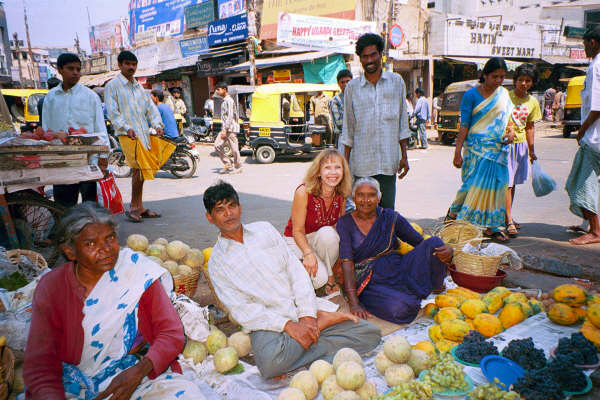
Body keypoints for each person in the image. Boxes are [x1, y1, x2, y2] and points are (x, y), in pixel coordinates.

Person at [23, 203, 203, 399]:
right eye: (91, 244)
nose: (106, 250)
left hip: (132, 373)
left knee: (186, 394)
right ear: (70, 251)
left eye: (110, 238)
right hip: (69, 382)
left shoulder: (135, 271)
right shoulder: (52, 287)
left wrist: (139, 371)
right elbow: (40, 366)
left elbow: (171, 333)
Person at [204, 182, 381, 379]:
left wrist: (306, 316)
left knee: (371, 334)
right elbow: (241, 309)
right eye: (220, 210)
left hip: (299, 307)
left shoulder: (264, 230)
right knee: (270, 365)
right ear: (210, 217)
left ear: (240, 207)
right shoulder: (217, 262)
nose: (229, 214)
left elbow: (296, 272)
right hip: (268, 323)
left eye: (232, 206)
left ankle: (307, 337)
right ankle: (319, 329)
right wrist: (287, 325)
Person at [337, 178, 452, 323]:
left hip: (397, 269)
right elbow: (347, 263)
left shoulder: (390, 217)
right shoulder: (345, 223)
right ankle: (406, 295)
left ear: (379, 198)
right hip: (369, 280)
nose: (366, 200)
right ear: (354, 198)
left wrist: (446, 251)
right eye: (361, 195)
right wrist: (353, 303)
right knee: (402, 309)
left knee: (435, 243)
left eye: (371, 195)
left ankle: (434, 286)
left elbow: (419, 242)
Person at [446, 57, 516, 242]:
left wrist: (511, 132)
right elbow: (464, 125)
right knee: (470, 186)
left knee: (496, 187)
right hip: (476, 150)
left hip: (498, 149)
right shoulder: (471, 95)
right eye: (495, 76)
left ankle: (492, 227)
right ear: (484, 75)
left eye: (502, 77)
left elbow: (509, 120)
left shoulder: (504, 95)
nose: (499, 81)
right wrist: (457, 151)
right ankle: (453, 215)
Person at [342, 33, 411, 210]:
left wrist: (404, 156)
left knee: (387, 213)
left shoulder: (396, 82)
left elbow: (402, 122)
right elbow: (348, 130)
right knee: (363, 214)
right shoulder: (352, 88)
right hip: (361, 165)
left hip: (388, 163)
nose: (370, 60)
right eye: (365, 56)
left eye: (373, 54)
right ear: (360, 59)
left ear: (381, 55)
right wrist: (344, 166)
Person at [105, 50, 173, 223]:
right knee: (138, 169)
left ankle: (139, 206)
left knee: (141, 170)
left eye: (133, 64)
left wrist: (157, 125)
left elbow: (150, 109)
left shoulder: (139, 87)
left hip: (143, 133)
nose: (131, 67)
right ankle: (135, 207)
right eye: (127, 64)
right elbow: (112, 113)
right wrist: (126, 127)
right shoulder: (113, 86)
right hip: (127, 135)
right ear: (119, 65)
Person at [42, 53, 109, 208]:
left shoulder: (90, 96)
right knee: (63, 206)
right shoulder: (51, 98)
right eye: (70, 68)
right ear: (60, 70)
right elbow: (47, 130)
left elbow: (100, 127)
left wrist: (103, 156)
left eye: (78, 69)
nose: (75, 72)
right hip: (62, 160)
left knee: (90, 206)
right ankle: (67, 231)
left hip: (88, 159)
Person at [283, 149, 352, 292]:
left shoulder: (341, 194)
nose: (333, 173)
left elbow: (338, 227)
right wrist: (308, 254)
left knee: (329, 234)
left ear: (343, 171)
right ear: (318, 172)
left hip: (320, 239)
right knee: (319, 279)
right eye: (327, 167)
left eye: (338, 167)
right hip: (297, 239)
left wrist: (339, 262)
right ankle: (292, 277)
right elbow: (297, 231)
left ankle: (328, 275)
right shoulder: (303, 192)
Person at [565, 27, 600, 245]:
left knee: (582, 182)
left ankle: (595, 231)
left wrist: (583, 128)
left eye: (585, 43)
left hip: (595, 137)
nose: (584, 47)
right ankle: (589, 223)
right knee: (586, 181)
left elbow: (597, 106)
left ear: (593, 42)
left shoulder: (596, 66)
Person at [505, 63, 542, 237]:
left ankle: (507, 216)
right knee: (507, 184)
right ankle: (508, 220)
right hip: (505, 145)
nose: (524, 84)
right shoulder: (505, 97)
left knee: (513, 185)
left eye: (527, 81)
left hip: (520, 148)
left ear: (532, 83)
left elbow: (530, 127)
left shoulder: (533, 102)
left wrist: (531, 149)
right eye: (521, 80)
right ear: (515, 81)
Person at [213, 82, 242, 174]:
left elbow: (230, 116)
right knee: (217, 145)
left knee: (234, 149)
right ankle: (228, 163)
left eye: (218, 89)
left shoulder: (229, 100)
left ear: (224, 90)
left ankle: (238, 167)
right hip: (225, 129)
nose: (217, 92)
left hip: (231, 129)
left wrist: (225, 129)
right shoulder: (224, 101)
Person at [330, 69, 353, 151]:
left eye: (348, 81)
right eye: (342, 82)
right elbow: (339, 123)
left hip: (359, 137)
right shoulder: (335, 101)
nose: (345, 84)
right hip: (343, 138)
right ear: (338, 84)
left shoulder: (357, 97)